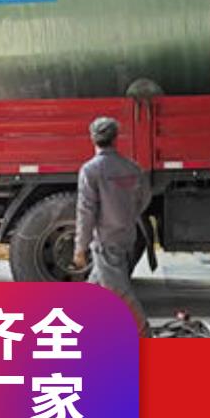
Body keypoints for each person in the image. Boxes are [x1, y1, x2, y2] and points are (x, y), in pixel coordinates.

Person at [73, 116, 152, 336]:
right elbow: (144, 198)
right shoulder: (132, 168)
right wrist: (126, 216)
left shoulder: (90, 170)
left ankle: (144, 333)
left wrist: (80, 247)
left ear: (92, 139)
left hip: (105, 241)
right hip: (126, 236)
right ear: (116, 139)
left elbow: (86, 211)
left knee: (120, 292)